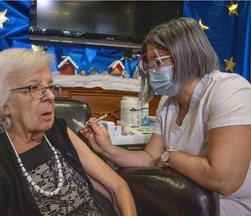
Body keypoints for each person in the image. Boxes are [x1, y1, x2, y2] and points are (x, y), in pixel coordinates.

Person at [81, 17, 251, 216]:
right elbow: (150, 158)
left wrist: (171, 157)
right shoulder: (169, 101)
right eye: (150, 62)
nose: (153, 69)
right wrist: (107, 148)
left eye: (158, 61)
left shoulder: (230, 90)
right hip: (186, 198)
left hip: (230, 205)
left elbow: (224, 180)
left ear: (186, 55)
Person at [0, 48, 136, 216]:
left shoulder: (59, 132)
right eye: (34, 87)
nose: (51, 96)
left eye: (50, 86)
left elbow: (118, 187)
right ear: (4, 105)